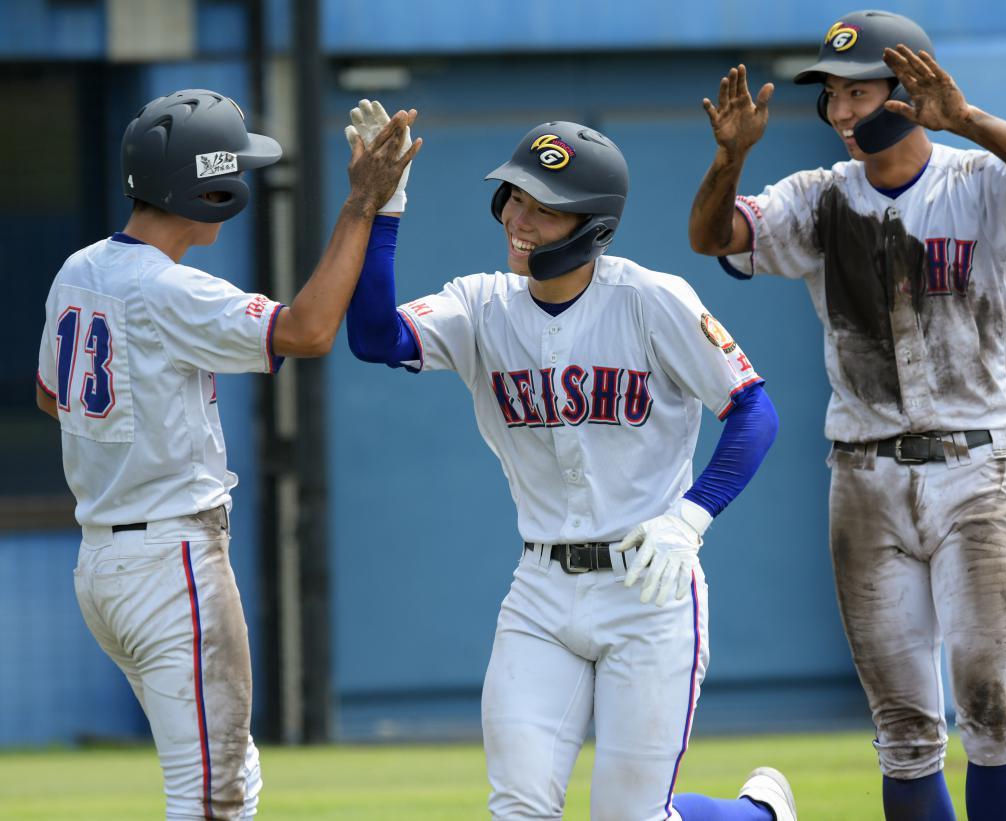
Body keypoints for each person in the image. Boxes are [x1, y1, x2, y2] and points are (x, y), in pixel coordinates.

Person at [344, 102, 794, 821]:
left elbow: (754, 410)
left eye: (545, 205)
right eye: (515, 196)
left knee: (630, 818)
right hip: (541, 589)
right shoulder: (480, 305)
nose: (520, 217)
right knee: (519, 807)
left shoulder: (651, 300)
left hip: (648, 587)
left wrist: (691, 517)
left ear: (593, 224)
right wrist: (383, 205)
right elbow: (372, 337)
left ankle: (761, 814)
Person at [687, 10, 1006, 821]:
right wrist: (730, 160)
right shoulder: (816, 196)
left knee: (993, 712)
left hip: (974, 469)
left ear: (910, 89)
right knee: (903, 728)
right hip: (863, 478)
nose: (839, 113)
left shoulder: (977, 178)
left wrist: (966, 117)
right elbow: (712, 236)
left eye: (858, 93)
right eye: (831, 95)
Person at [34, 89, 419, 819]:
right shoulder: (168, 288)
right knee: (214, 797)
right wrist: (363, 206)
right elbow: (307, 331)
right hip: (169, 561)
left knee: (228, 773)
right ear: (204, 186)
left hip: (102, 567)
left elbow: (53, 398)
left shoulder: (77, 270)